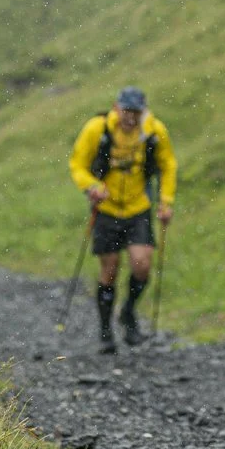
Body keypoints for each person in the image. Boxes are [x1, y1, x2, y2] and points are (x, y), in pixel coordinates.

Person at [67, 86, 177, 353]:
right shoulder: (97, 129)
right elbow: (77, 164)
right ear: (116, 108)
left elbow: (168, 165)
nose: (131, 118)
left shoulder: (154, 131)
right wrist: (92, 186)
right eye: (127, 111)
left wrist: (165, 202)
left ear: (143, 112)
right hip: (106, 208)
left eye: (136, 112)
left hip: (138, 207)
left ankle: (128, 312)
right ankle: (105, 330)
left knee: (142, 264)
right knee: (110, 268)